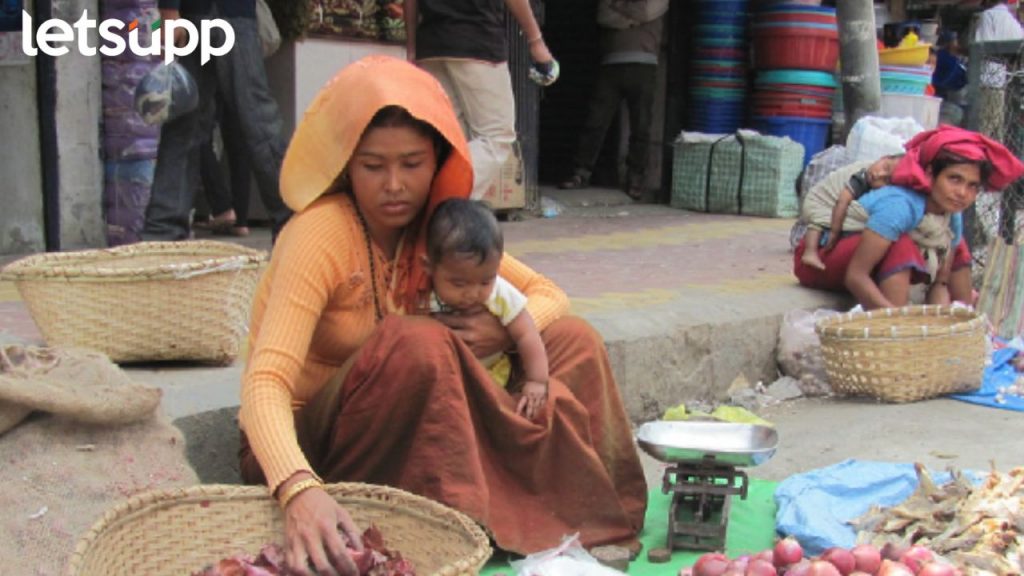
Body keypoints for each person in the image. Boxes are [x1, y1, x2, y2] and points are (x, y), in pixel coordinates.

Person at [237, 55, 647, 575]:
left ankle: (571, 518)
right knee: (419, 342)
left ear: (437, 161)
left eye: (411, 164)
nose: (393, 184)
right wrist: (296, 487)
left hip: (415, 422)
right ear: (346, 165)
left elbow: (547, 294)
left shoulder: (437, 229)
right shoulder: (319, 233)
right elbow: (265, 382)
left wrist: (501, 333)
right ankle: (478, 513)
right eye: (372, 166)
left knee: (572, 339)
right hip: (312, 449)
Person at [793, 126, 1024, 310]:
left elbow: (940, 283)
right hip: (821, 261)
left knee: (955, 244)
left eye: (972, 186)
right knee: (901, 246)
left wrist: (945, 326)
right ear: (930, 174)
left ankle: (967, 320)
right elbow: (856, 276)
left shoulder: (951, 212)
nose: (963, 193)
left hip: (868, 265)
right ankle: (896, 321)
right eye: (954, 179)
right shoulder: (900, 205)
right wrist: (900, 324)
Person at [144, 0, 291, 241]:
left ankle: (163, 230)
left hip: (209, 15)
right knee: (256, 122)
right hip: (226, 15)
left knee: (187, 125)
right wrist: (169, 12)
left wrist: (169, 12)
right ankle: (290, 223)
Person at [402, 0, 558, 201]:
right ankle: (441, 200)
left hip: (432, 46)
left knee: (454, 141)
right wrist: (536, 41)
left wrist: (412, 47)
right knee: (497, 137)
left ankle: (442, 204)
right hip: (477, 42)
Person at [424, 198, 548, 420]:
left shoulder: (499, 293)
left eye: (484, 282)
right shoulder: (422, 295)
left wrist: (537, 381)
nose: (473, 294)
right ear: (429, 268)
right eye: (459, 284)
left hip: (492, 377)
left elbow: (527, 334)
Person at [558, 0, 668, 200]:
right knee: (595, 121)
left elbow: (645, 12)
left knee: (641, 126)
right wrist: (632, 17)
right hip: (611, 63)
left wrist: (619, 7)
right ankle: (581, 173)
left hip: (644, 65)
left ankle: (635, 178)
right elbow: (604, 16)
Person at [799, 155, 902, 271]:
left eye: (886, 180)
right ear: (883, 158)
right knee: (817, 223)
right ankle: (810, 252)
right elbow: (842, 201)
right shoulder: (860, 179)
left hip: (842, 212)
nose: (879, 175)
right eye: (885, 167)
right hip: (823, 203)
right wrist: (834, 231)